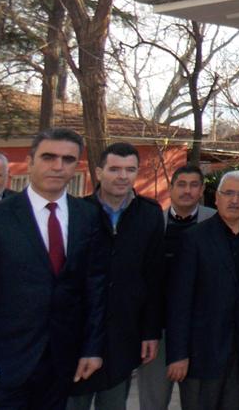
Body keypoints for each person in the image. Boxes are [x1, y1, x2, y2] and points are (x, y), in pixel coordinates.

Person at [0, 128, 107, 409]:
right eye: (48, 157)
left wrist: (92, 348)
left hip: (62, 360)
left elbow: (95, 286)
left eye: (68, 159)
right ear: (31, 162)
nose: (58, 166)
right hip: (6, 360)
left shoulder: (88, 216)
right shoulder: (1, 217)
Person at [166, 170, 239, 410]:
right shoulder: (193, 238)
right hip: (200, 353)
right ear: (216, 198)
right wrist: (178, 354)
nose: (234, 200)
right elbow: (180, 301)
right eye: (228, 193)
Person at [69, 143, 166, 410]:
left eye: (130, 170)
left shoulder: (149, 213)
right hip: (79, 333)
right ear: (99, 172)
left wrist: (150, 332)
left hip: (124, 333)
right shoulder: (78, 212)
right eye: (114, 169)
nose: (122, 176)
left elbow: (153, 277)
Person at [138, 164, 217, 409]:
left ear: (202, 190)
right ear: (171, 188)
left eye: (194, 185)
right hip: (157, 332)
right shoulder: (152, 224)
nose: (187, 191)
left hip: (200, 331)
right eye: (181, 185)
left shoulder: (216, 223)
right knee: (153, 401)